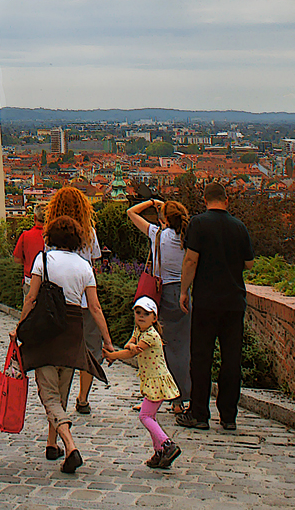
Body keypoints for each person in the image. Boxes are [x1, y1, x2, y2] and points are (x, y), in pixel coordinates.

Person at [11, 215, 114, 475]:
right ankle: (51, 444)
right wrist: (108, 341)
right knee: (62, 391)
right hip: (72, 331)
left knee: (48, 394)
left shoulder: (43, 261)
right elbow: (94, 307)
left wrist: (19, 327)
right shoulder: (83, 267)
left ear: (51, 237)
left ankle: (70, 446)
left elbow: (32, 298)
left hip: (46, 330)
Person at [177, 182, 254, 431]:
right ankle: (229, 416)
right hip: (234, 301)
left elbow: (191, 260)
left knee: (201, 357)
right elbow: (249, 263)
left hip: (207, 300)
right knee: (232, 359)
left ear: (205, 199)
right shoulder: (239, 226)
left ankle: (199, 413)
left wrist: (183, 290)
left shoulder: (199, 223)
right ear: (226, 199)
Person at [126, 198, 191, 411]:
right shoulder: (187, 237)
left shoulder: (158, 236)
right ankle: (179, 399)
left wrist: (152, 202)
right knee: (181, 347)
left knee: (158, 348)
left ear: (163, 219)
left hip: (161, 292)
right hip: (184, 292)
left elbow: (131, 212)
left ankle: (155, 397)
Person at [103, 296, 182, 469]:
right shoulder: (139, 330)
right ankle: (159, 452)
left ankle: (167, 444)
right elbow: (130, 344)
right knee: (150, 416)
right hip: (151, 380)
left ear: (154, 318)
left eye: (146, 314)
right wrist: (131, 345)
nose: (141, 316)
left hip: (157, 381)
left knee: (145, 416)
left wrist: (112, 355)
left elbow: (131, 352)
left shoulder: (151, 335)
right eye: (138, 313)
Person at [43, 186, 102, 415]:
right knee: (88, 349)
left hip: (57, 302)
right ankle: (83, 397)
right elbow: (93, 263)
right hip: (84, 301)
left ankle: (58, 396)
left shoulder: (51, 233)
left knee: (60, 349)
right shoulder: (89, 232)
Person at [13, 212, 48, 297]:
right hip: (50, 283)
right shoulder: (52, 236)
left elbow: (17, 259)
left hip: (30, 281)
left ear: (34, 217)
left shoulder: (26, 235)